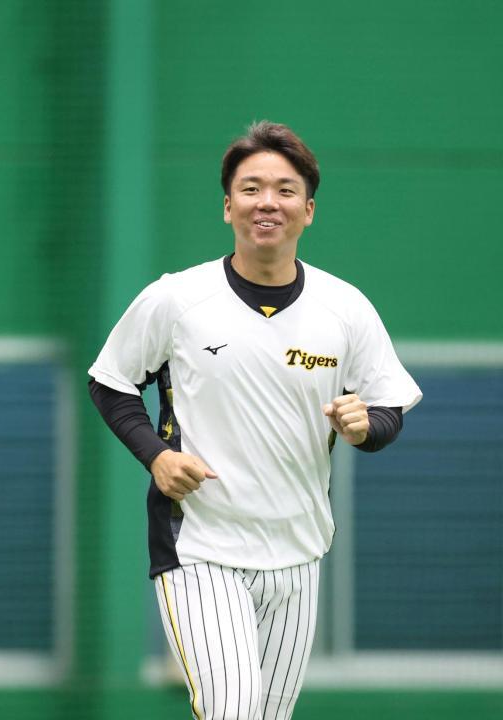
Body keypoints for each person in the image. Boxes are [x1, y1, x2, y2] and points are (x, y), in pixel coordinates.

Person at [88, 121, 421, 720]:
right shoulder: (176, 298)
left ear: (309, 210)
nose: (268, 202)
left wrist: (364, 425)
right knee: (233, 710)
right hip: (200, 548)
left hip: (298, 554)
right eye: (251, 188)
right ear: (227, 206)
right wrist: (157, 457)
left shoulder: (345, 307)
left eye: (285, 190)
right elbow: (109, 383)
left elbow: (388, 408)